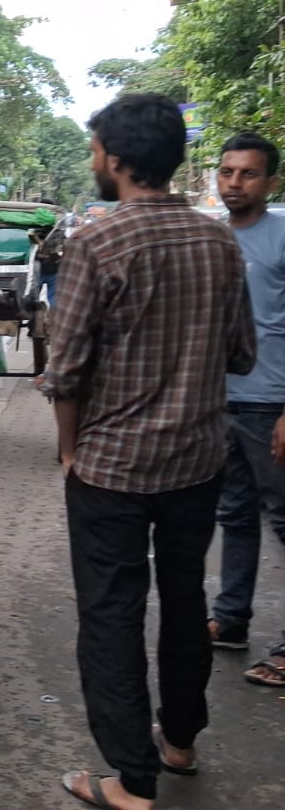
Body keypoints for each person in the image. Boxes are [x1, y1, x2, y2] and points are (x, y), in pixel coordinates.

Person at [47, 94, 254, 810]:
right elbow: (240, 353)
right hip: (197, 460)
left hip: (110, 466)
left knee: (111, 613)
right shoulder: (219, 241)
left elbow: (65, 369)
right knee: (184, 598)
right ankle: (180, 742)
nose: (95, 159)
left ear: (118, 158)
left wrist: (69, 450)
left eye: (97, 148)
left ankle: (131, 780)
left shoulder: (98, 243)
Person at [206, 132, 285, 687]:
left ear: (270, 181)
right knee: (234, 516)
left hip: (272, 403)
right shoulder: (212, 238)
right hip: (221, 402)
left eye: (248, 173)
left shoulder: (282, 236)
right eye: (227, 172)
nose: (235, 183)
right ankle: (231, 619)